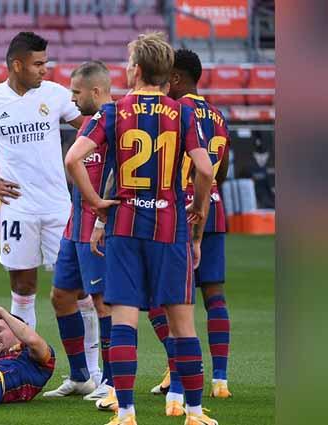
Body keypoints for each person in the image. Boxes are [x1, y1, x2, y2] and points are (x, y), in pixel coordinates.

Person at [64, 32, 217, 425]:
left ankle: (127, 412)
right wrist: (198, 211)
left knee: (124, 318)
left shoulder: (113, 112)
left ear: (136, 69)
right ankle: (195, 412)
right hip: (171, 227)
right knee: (183, 323)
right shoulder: (183, 113)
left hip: (125, 225)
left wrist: (97, 206)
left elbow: (73, 159)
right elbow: (204, 169)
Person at [0, 32, 83, 329]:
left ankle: (91, 371)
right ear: (17, 65)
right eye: (38, 64)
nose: (44, 69)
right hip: (17, 208)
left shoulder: (56, 94)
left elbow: (89, 126)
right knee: (23, 288)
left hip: (58, 207)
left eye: (45, 63)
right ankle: (24, 366)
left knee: (78, 289)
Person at [44, 61, 115, 400]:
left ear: (96, 91)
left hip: (99, 226)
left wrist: (102, 214)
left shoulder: (115, 121)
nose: (71, 98)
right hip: (76, 224)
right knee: (61, 296)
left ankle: (112, 381)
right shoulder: (89, 122)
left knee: (104, 303)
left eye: (76, 91)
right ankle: (80, 376)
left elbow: (117, 173)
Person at [168, 48, 232, 399]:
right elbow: (220, 170)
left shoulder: (177, 112)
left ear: (176, 77)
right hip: (215, 206)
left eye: (167, 76)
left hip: (183, 208)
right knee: (215, 295)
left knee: (176, 300)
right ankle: (220, 380)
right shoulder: (219, 115)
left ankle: (178, 380)